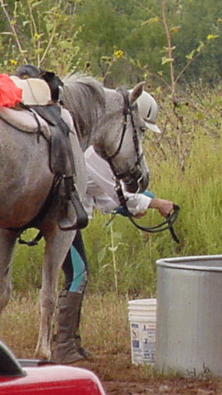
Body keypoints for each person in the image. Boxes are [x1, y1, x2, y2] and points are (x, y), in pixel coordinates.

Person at [51, 90, 176, 364]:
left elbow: (106, 200)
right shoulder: (94, 155)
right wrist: (156, 205)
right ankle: (63, 346)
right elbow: (121, 196)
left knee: (79, 272)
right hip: (65, 218)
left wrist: (139, 205)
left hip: (71, 216)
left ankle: (70, 343)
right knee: (78, 273)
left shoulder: (95, 152)